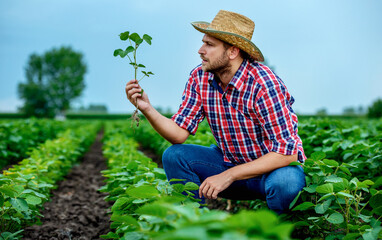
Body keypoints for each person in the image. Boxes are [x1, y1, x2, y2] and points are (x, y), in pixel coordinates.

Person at [125, 10, 306, 214]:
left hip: (269, 173)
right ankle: (194, 222)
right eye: (203, 42)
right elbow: (178, 134)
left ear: (233, 52)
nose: (200, 50)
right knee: (175, 156)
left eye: (209, 45)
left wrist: (229, 176)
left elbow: (287, 153)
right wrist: (147, 109)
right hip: (227, 165)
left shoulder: (264, 84)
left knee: (287, 183)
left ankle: (276, 232)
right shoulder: (199, 77)